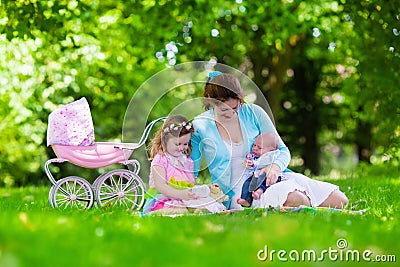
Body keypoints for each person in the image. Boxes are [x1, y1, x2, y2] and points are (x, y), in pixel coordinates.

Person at [190, 71, 348, 210]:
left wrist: (275, 167)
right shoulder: (200, 126)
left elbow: (283, 150)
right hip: (244, 192)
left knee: (340, 200)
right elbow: (191, 172)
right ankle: (291, 200)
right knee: (296, 199)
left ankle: (292, 198)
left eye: (235, 108)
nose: (231, 114)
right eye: (224, 109)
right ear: (210, 99)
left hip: (272, 176)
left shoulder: (254, 113)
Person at [143, 115, 225, 214]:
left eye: (185, 144)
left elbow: (192, 185)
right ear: (164, 141)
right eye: (178, 144)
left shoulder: (186, 161)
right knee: (179, 209)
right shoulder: (160, 160)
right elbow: (161, 186)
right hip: (164, 198)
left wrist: (206, 187)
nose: (182, 148)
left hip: (184, 198)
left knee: (205, 203)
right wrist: (179, 194)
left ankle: (199, 211)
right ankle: (158, 213)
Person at [237, 132, 284, 207]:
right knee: (247, 183)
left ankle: (259, 192)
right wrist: (249, 157)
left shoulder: (271, 155)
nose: (255, 148)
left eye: (259, 147)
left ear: (271, 150)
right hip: (256, 176)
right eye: (254, 145)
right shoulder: (258, 155)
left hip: (269, 176)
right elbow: (254, 159)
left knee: (265, 182)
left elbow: (263, 162)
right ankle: (246, 199)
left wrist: (253, 164)